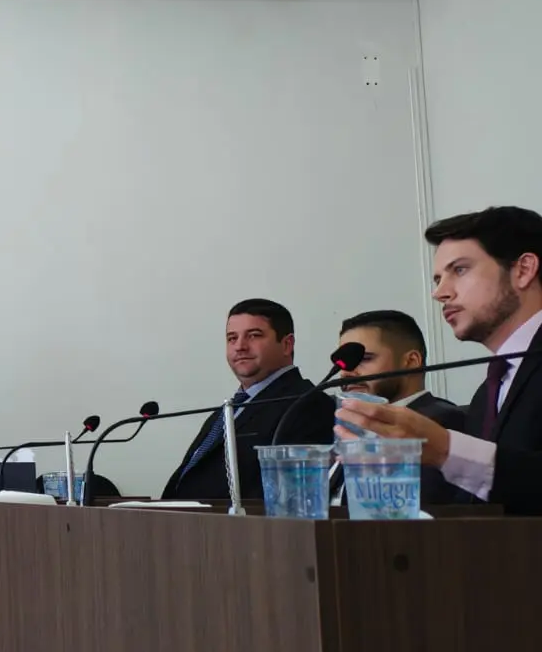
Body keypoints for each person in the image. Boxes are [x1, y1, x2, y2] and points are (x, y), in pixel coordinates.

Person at [338, 206, 542, 515]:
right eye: (437, 278)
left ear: (523, 270)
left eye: (459, 270)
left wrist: (446, 449)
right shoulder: (488, 392)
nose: (440, 293)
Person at [160, 299, 333, 500]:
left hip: (238, 528)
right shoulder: (231, 408)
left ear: (287, 344)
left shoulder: (307, 404)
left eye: (253, 336)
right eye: (232, 338)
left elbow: (289, 494)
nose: (240, 346)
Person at [334, 310, 467, 503]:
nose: (346, 372)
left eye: (364, 359)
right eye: (344, 363)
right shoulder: (346, 426)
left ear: (411, 362)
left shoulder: (442, 422)